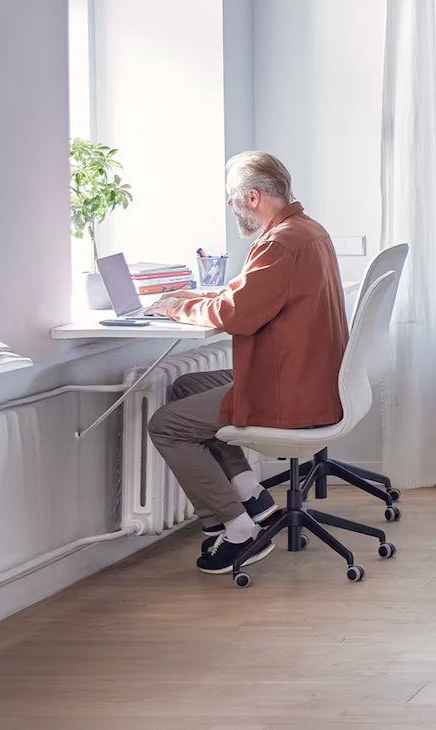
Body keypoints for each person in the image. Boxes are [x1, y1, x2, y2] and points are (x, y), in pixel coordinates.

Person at [146, 151, 351, 574]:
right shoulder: (306, 230)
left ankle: (239, 531)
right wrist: (189, 299)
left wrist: (172, 310)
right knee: (187, 387)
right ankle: (252, 497)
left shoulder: (279, 243)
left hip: (290, 393)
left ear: (253, 197)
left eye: (232, 198)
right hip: (311, 378)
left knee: (167, 426)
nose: (229, 206)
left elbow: (236, 315)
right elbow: (244, 295)